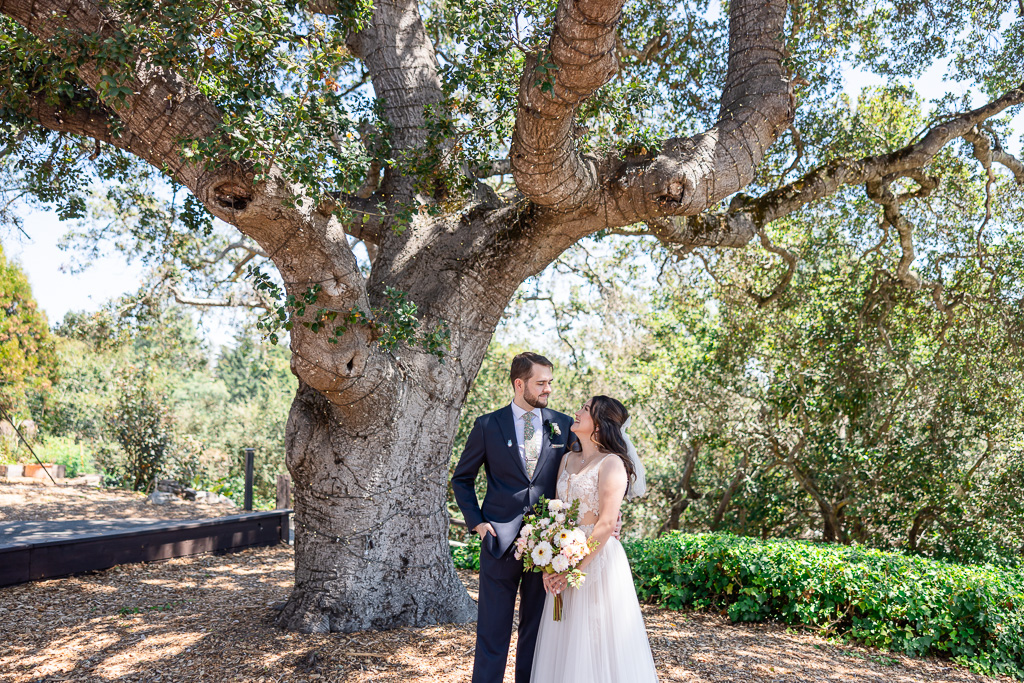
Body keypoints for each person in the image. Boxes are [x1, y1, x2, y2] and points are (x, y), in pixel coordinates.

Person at [451, 352, 578, 683]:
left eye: (550, 382)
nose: (548, 389)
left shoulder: (564, 424)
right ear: (519, 384)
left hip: (546, 547)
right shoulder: (487, 425)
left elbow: (582, 470)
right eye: (541, 383)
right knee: (492, 633)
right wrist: (477, 523)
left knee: (535, 634)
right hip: (498, 543)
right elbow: (461, 478)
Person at [531, 395, 659, 683]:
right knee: (565, 641)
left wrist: (573, 570)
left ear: (599, 425)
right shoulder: (566, 458)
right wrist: (551, 562)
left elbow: (605, 522)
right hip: (564, 556)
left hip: (597, 561)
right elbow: (557, 513)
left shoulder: (612, 464)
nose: (576, 412)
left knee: (595, 640)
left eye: (585, 410)